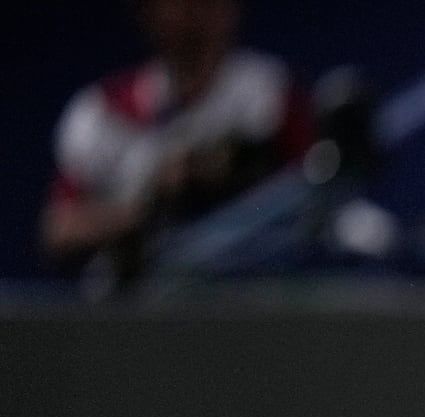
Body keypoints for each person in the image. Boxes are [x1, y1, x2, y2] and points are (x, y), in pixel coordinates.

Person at [40, 0, 315, 291]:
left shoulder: (270, 95)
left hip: (248, 300)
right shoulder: (102, 112)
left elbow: (316, 200)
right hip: (133, 308)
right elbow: (58, 231)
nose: (199, 10)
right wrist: (150, 205)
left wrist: (225, 181)